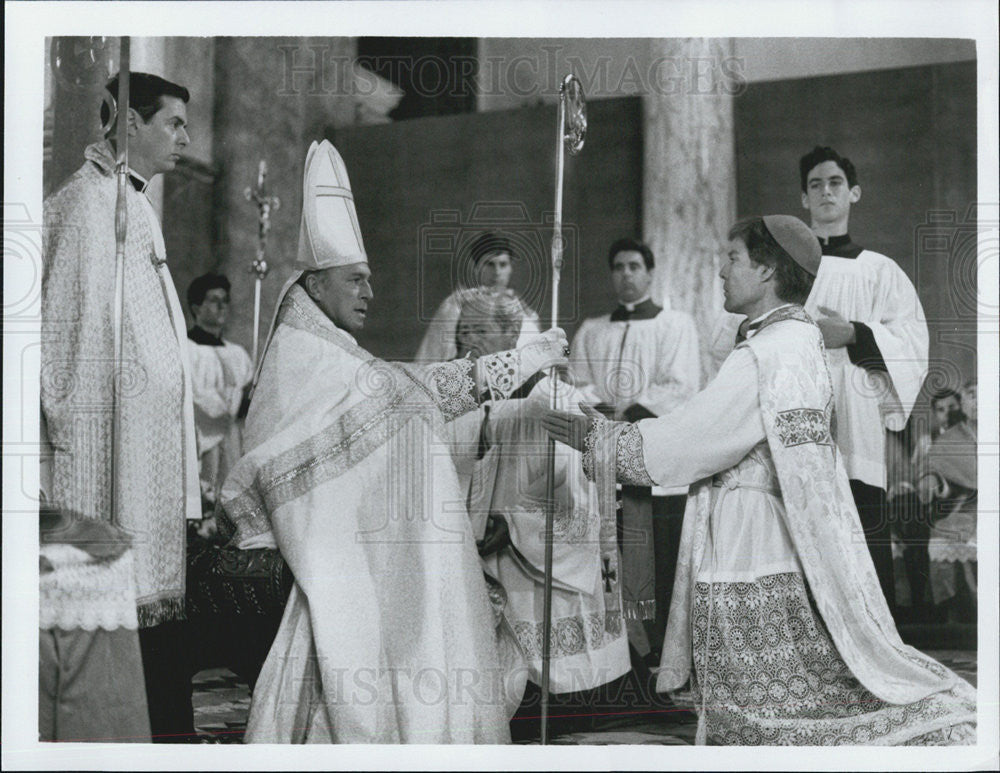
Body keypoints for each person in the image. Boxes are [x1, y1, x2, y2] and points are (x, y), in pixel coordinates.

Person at [543, 215, 976, 745]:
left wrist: (598, 440)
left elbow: (695, 438)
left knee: (764, 713)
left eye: (733, 258)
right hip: (775, 528)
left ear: (767, 269)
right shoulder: (797, 340)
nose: (720, 270)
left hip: (752, 534)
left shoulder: (768, 352)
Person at [219, 140, 568, 743]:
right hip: (338, 549)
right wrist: (510, 367)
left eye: (370, 280)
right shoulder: (303, 354)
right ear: (318, 284)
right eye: (355, 280)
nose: (368, 293)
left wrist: (518, 362)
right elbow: (403, 393)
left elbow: (405, 390)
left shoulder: (335, 350)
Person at [42, 71, 201, 742]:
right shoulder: (90, 208)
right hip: (110, 457)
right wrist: (78, 439)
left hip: (148, 454)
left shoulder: (131, 202)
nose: (186, 138)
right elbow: (66, 343)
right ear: (130, 124)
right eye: (173, 123)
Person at [446, 290, 631, 739]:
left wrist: (509, 523)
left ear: (511, 335)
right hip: (473, 556)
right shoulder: (455, 395)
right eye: (461, 330)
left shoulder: (553, 398)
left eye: (480, 330)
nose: (467, 341)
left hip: (530, 564)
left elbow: (575, 491)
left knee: (549, 708)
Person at [796, 146, 929, 616]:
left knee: (860, 524)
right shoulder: (786, 269)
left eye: (835, 182)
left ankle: (873, 641)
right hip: (798, 410)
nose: (826, 191)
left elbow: (911, 338)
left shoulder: (878, 269)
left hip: (856, 416)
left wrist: (853, 333)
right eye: (816, 184)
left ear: (853, 193)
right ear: (804, 199)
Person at [569, 238, 701, 661]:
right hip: (604, 459)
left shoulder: (675, 325)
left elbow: (681, 386)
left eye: (634, 266)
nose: (625, 274)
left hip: (653, 457)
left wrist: (630, 414)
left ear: (649, 273)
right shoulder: (593, 329)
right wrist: (603, 409)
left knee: (659, 561)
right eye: (619, 267)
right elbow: (577, 385)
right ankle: (621, 656)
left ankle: (664, 653)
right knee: (610, 559)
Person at [415, 232, 541, 362]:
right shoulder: (456, 305)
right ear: (476, 267)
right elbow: (437, 355)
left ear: (510, 268)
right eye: (489, 264)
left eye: (503, 264)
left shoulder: (523, 309)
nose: (497, 272)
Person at [186, 272, 253, 510]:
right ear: (196, 308)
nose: (222, 306)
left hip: (233, 439)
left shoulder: (238, 354)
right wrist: (230, 405)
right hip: (201, 437)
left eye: (225, 300)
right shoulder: (186, 351)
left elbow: (247, 398)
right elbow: (193, 395)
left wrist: (250, 397)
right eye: (214, 300)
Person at [919, 379, 977, 621]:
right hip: (964, 509)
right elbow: (931, 469)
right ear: (962, 403)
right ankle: (954, 614)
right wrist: (932, 480)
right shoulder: (948, 440)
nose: (978, 402)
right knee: (945, 533)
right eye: (972, 395)